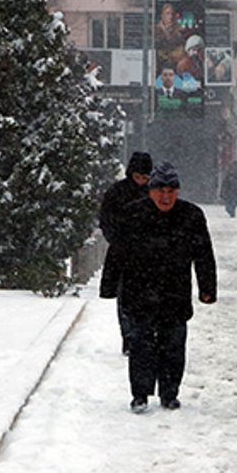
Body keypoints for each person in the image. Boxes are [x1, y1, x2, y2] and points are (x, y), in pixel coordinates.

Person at [103, 162, 217, 413]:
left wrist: (207, 287)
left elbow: (204, 254)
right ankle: (140, 394)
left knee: (173, 345)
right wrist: (110, 284)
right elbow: (117, 252)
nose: (166, 197)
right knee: (141, 344)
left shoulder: (191, 216)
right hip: (139, 289)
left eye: (172, 191)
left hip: (174, 291)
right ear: (151, 191)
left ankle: (169, 393)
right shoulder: (132, 214)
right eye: (160, 191)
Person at [98, 151, 152, 354]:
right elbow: (106, 218)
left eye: (145, 178)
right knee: (125, 297)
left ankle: (143, 334)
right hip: (123, 254)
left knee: (147, 297)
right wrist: (118, 239)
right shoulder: (116, 192)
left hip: (149, 256)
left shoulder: (152, 193)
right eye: (138, 176)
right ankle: (129, 336)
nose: (141, 181)